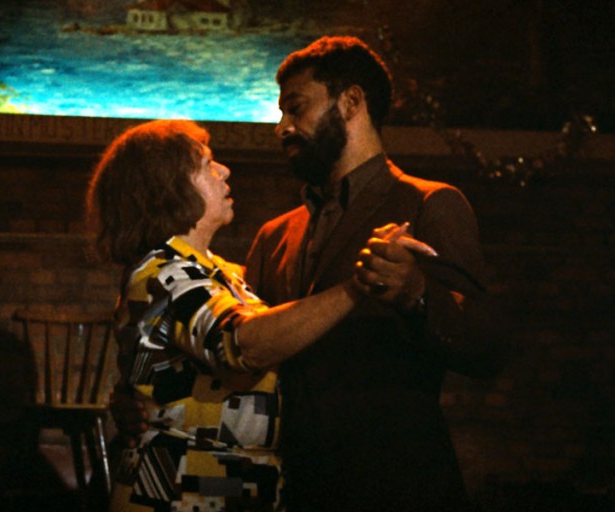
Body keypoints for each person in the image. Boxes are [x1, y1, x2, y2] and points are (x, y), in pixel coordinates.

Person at [87, 119, 430, 511]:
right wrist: (357, 286)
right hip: (175, 493)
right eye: (206, 164)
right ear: (168, 187)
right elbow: (240, 343)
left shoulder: (220, 272)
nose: (224, 171)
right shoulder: (164, 274)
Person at [244, 36, 506, 511]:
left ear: (350, 102)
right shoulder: (273, 236)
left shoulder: (429, 203)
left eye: (295, 108)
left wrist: (417, 293)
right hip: (293, 490)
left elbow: (485, 348)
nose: (281, 128)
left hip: (398, 485)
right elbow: (243, 353)